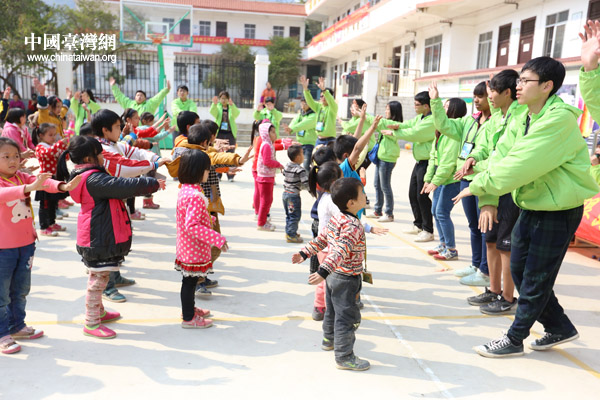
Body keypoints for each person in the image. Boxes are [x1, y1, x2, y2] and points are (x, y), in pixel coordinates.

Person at [452, 56, 599, 358]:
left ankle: (515, 338)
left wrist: (479, 186)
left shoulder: (557, 120)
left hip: (557, 210)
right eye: (518, 80)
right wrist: (479, 168)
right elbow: (503, 155)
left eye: (525, 81)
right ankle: (559, 327)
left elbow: (520, 164)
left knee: (535, 277)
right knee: (520, 270)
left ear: (547, 86)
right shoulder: (524, 117)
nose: (518, 86)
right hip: (531, 205)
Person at [57, 135, 164, 339]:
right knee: (98, 281)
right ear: (89, 158)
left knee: (99, 276)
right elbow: (123, 185)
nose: (103, 157)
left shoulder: (87, 175)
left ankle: (99, 311)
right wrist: (152, 183)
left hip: (97, 235)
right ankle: (91, 322)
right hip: (98, 237)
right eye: (100, 154)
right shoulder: (95, 179)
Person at [0, 137, 81, 354]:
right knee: (1, 294)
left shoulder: (21, 177)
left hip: (26, 244)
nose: (13, 161)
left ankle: (17, 326)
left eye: (16, 156)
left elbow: (43, 182)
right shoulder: (13, 182)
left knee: (20, 290)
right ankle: (2, 334)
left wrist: (63, 186)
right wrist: (29, 187)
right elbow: (5, 194)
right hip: (3, 248)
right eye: (6, 157)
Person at [457, 70, 526, 314]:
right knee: (491, 240)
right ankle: (494, 290)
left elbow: (502, 159)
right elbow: (485, 147)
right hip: (491, 185)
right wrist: (474, 158)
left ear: (507, 92)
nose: (489, 97)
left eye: (492, 92)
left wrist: (478, 170)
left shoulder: (520, 118)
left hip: (508, 189)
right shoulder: (497, 118)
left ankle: (508, 297)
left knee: (506, 246)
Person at [292, 177, 370, 371]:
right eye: (362, 193)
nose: (365, 195)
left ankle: (329, 339)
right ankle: (344, 357)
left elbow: (321, 239)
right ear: (351, 202)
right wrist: (322, 271)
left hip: (333, 275)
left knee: (332, 310)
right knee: (348, 318)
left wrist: (305, 253)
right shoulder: (353, 226)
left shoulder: (338, 218)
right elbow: (340, 251)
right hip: (346, 277)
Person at [91, 109, 167, 302]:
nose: (121, 130)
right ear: (105, 130)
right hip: (104, 205)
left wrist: (155, 158)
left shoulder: (114, 144)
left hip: (116, 201)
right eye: (118, 127)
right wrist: (155, 165)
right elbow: (125, 167)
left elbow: (135, 151)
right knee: (108, 243)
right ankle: (107, 287)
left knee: (119, 239)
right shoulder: (102, 149)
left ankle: (115, 276)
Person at [430, 81, 492, 286]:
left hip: (482, 178)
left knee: (485, 229)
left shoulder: (496, 122)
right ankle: (476, 265)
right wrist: (435, 101)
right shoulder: (469, 121)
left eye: (481, 96)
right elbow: (444, 125)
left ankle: (485, 270)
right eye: (475, 96)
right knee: (474, 225)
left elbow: (486, 150)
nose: (477, 100)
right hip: (465, 178)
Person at [175, 150, 228, 329]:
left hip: (186, 246)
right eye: (207, 169)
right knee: (190, 283)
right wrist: (217, 238)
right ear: (198, 171)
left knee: (190, 281)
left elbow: (190, 217)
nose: (208, 172)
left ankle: (189, 309)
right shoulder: (195, 196)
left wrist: (208, 219)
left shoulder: (187, 190)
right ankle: (189, 318)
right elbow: (192, 225)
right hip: (193, 248)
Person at [421, 98, 466, 261]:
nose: (442, 110)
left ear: (454, 110)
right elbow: (433, 156)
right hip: (441, 178)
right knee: (435, 211)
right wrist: (428, 178)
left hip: (451, 179)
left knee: (442, 212)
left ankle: (451, 249)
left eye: (446, 107)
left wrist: (435, 181)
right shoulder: (441, 131)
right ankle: (443, 244)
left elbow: (448, 162)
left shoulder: (454, 132)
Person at [307, 160, 342, 320]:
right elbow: (345, 219)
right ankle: (326, 307)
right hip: (330, 249)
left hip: (324, 248)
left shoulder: (323, 197)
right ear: (334, 182)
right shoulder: (332, 201)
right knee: (331, 279)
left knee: (324, 277)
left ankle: (319, 306)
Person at [368, 101, 405, 223]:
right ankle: (378, 210)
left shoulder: (394, 125)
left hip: (387, 159)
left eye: (388, 109)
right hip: (381, 157)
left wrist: (362, 114)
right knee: (377, 184)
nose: (385, 111)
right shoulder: (387, 123)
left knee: (385, 186)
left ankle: (389, 213)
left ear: (394, 111)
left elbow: (377, 122)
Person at [33, 123, 69, 236]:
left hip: (54, 178)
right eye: (50, 135)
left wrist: (65, 147)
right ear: (41, 135)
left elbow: (65, 157)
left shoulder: (53, 146)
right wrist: (60, 144)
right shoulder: (40, 147)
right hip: (45, 180)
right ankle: (44, 227)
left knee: (53, 203)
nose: (53, 137)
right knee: (45, 204)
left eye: (54, 135)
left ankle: (52, 223)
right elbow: (48, 153)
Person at [256, 121, 283, 231]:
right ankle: (261, 223)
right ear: (266, 134)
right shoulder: (266, 145)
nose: (275, 134)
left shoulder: (269, 144)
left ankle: (264, 220)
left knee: (268, 200)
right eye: (272, 132)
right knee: (265, 201)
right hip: (264, 178)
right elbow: (267, 161)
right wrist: (279, 165)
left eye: (274, 131)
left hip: (267, 176)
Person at [300, 76, 338, 146]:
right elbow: (310, 101)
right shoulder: (318, 106)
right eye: (321, 96)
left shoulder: (333, 107)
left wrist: (324, 90)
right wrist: (305, 89)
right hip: (319, 140)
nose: (323, 98)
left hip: (329, 140)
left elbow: (331, 101)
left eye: (325, 96)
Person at [211, 92, 240, 181]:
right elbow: (213, 113)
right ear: (220, 99)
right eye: (222, 98)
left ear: (228, 99)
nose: (224, 100)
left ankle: (230, 175)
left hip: (230, 133)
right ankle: (218, 174)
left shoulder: (231, 107)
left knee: (230, 154)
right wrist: (214, 104)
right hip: (219, 133)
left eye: (225, 98)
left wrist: (232, 106)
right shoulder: (218, 106)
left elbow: (236, 114)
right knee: (219, 153)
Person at [282, 144, 309, 243]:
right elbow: (306, 183)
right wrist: (313, 192)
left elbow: (284, 173)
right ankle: (291, 235)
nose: (304, 156)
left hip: (285, 194)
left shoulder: (287, 165)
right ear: (298, 157)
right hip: (293, 196)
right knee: (295, 215)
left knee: (289, 215)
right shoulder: (300, 170)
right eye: (302, 154)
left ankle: (289, 231)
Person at [283, 98, 317, 172]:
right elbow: (294, 122)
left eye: (305, 104)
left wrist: (292, 129)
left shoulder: (314, 115)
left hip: (309, 144)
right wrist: (289, 128)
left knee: (306, 165)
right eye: (302, 103)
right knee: (296, 165)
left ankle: (308, 178)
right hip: (299, 143)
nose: (303, 106)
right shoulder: (300, 114)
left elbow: (304, 124)